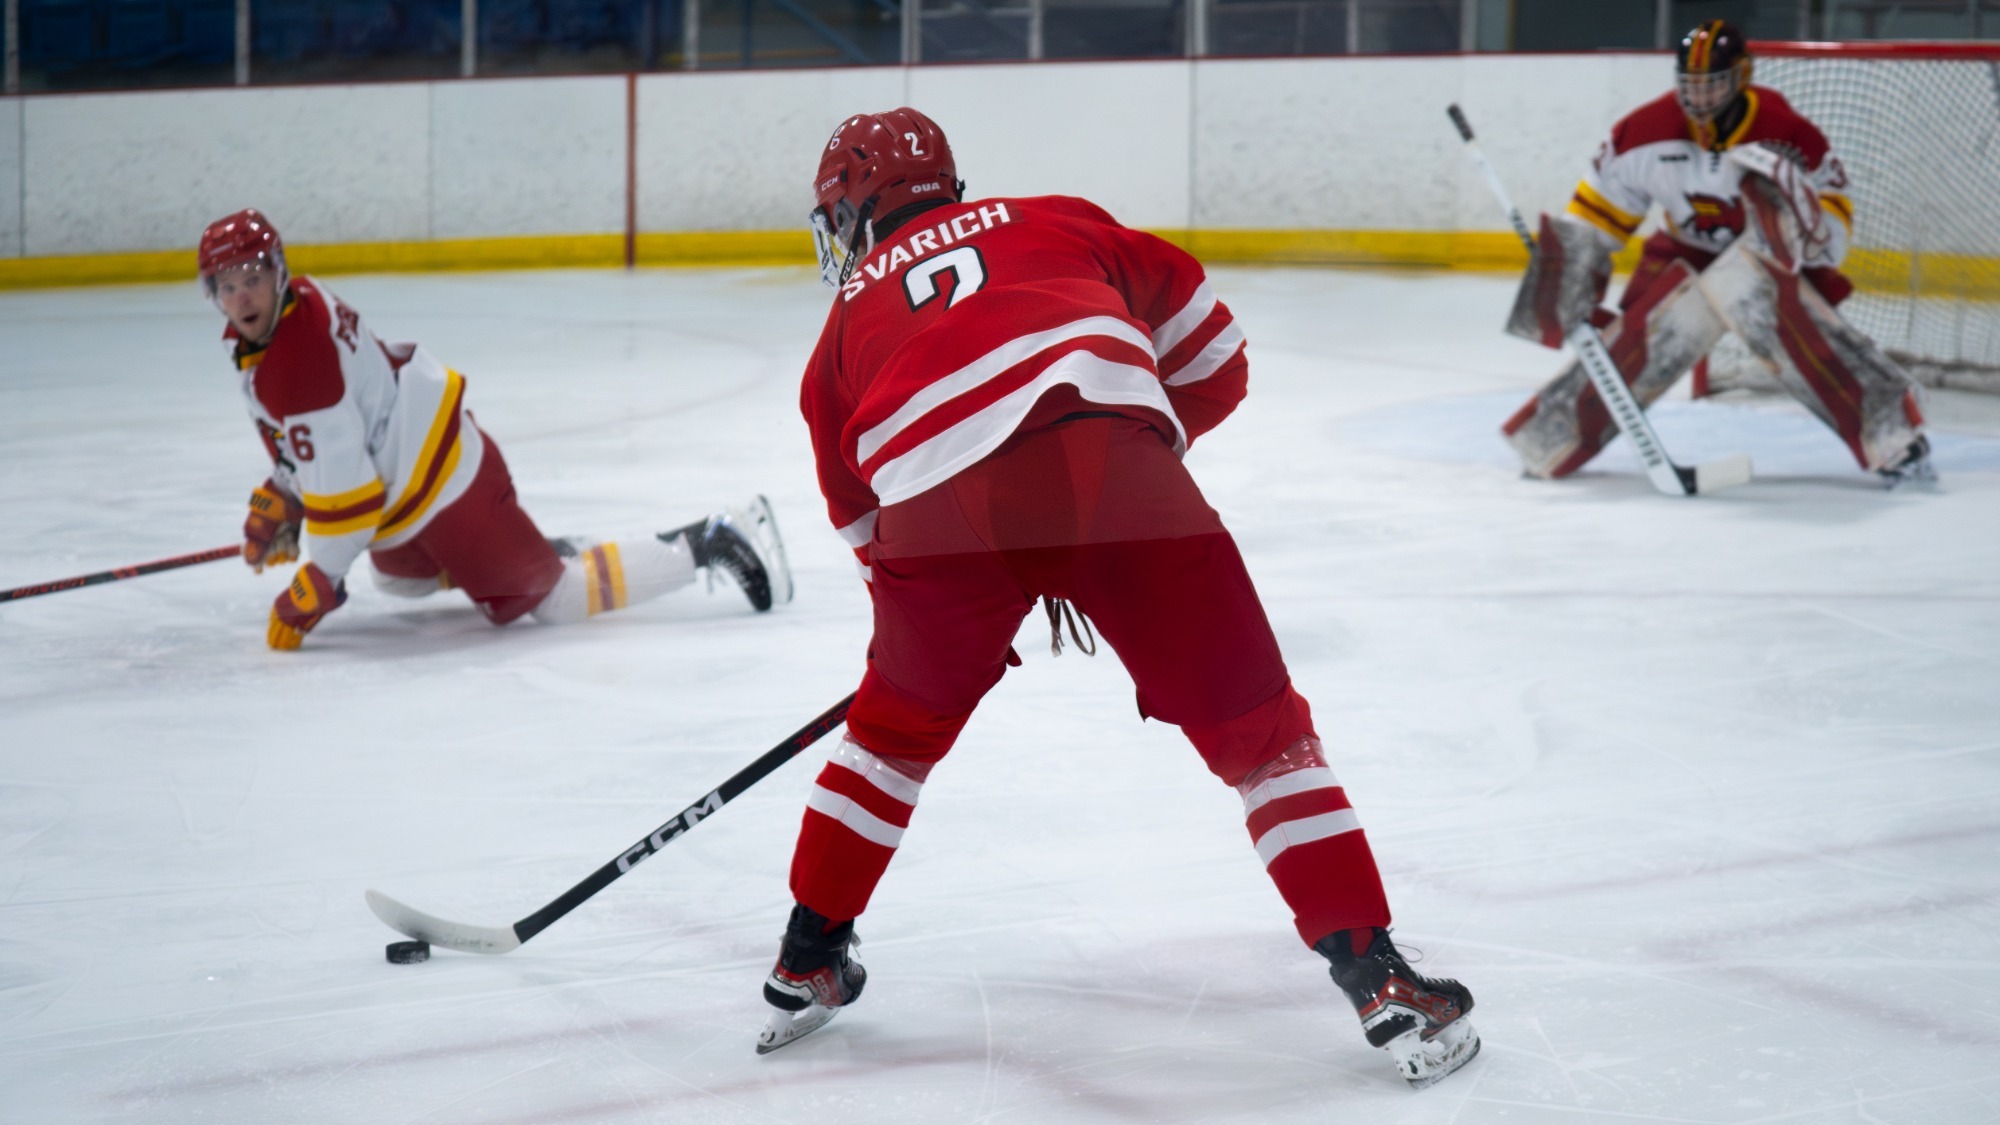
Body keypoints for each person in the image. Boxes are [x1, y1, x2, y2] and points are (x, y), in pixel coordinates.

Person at [754, 108, 1479, 1089]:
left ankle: (807, 956)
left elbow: (866, 527)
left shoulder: (840, 329)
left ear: (850, 211)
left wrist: (930, 646)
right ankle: (1377, 976)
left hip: (933, 516)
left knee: (889, 739)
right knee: (1263, 737)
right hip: (1117, 474)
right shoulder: (1057, 219)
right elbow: (1216, 356)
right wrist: (1111, 464)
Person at [198, 209, 791, 650]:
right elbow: (325, 439)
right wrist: (286, 493)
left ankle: (709, 541)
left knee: (556, 602)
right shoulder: (296, 306)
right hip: (410, 473)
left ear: (277, 271)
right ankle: (525, 550)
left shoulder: (294, 362)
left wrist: (317, 581)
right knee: (401, 578)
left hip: (444, 483)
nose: (242, 296)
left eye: (252, 276)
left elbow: (349, 503)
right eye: (227, 285)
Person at [1502, 20, 1932, 486]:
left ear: (1741, 77)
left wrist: (1807, 227)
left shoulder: (1787, 133)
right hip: (1682, 253)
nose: (1700, 98)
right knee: (1638, 344)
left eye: (1713, 85)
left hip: (1766, 259)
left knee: (1787, 325)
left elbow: (1831, 235)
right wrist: (1564, 284)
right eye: (1691, 85)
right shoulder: (1644, 132)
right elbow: (1594, 218)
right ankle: (1553, 435)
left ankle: (1892, 436)